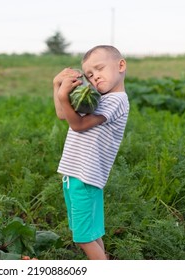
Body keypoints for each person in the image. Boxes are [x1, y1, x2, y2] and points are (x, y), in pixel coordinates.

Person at [52, 45, 129, 260]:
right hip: (77, 175)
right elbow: (62, 114)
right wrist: (58, 85)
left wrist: (64, 96)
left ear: (121, 65)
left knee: (83, 238)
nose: (95, 78)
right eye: (90, 75)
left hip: (85, 177)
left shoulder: (116, 100)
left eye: (100, 69)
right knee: (92, 234)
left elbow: (78, 125)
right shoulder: (98, 99)